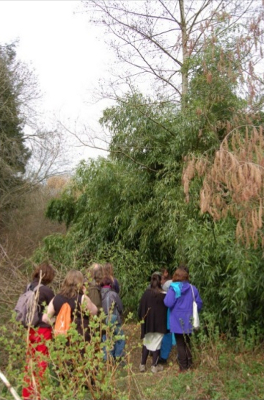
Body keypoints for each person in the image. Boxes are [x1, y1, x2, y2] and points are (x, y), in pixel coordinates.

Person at [22, 262, 55, 400]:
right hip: (42, 330)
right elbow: (51, 312)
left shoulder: (28, 287)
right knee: (41, 363)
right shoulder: (47, 291)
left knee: (30, 361)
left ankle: (27, 394)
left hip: (30, 328)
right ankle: (40, 394)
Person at [164, 266, 202, 372]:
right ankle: (189, 364)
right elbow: (199, 303)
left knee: (180, 344)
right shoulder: (192, 288)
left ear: (175, 276)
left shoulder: (174, 288)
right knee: (187, 342)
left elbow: (168, 302)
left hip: (177, 320)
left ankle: (183, 367)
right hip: (189, 319)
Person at [43, 270, 98, 342]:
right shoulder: (82, 298)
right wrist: (85, 294)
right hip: (80, 338)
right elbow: (94, 311)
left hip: (62, 338)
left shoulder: (56, 298)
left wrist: (57, 321)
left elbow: (45, 318)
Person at [138, 272, 168, 373]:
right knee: (157, 345)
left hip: (148, 324)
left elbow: (141, 308)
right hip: (160, 324)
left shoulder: (146, 294)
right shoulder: (164, 295)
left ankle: (142, 365)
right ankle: (154, 366)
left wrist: (141, 320)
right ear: (160, 282)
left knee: (147, 343)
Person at [101, 276, 125, 361]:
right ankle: (118, 355)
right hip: (114, 317)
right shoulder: (113, 294)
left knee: (106, 338)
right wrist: (120, 313)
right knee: (120, 337)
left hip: (104, 318)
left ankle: (107, 358)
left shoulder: (99, 293)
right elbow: (120, 307)